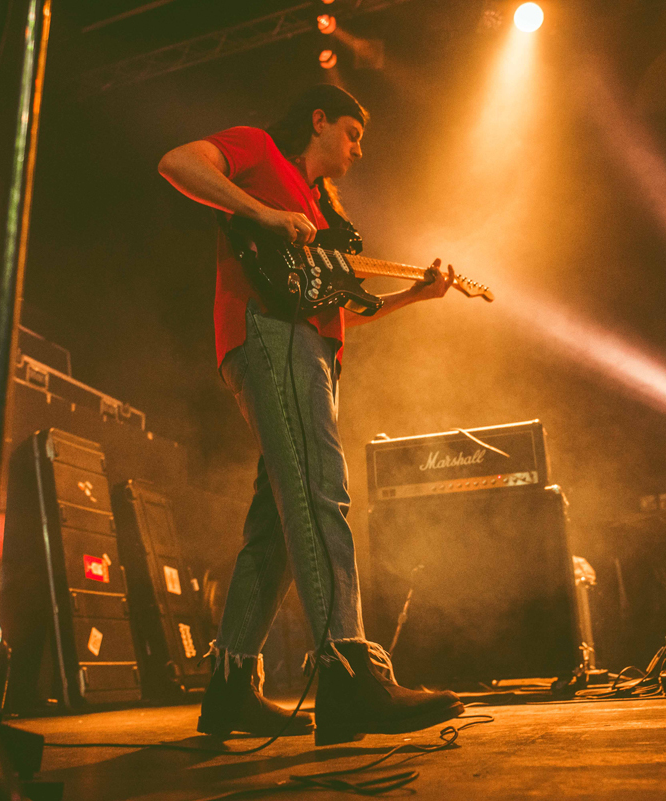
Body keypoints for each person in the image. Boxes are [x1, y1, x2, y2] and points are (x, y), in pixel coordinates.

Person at [158, 84, 465, 746]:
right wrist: (263, 214)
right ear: (319, 121)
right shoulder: (261, 149)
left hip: (308, 348)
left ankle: (231, 686)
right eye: (353, 133)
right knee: (321, 491)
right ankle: (348, 672)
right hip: (270, 334)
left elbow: (351, 305)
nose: (359, 148)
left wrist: (419, 294)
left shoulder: (324, 210)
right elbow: (179, 162)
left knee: (276, 522)